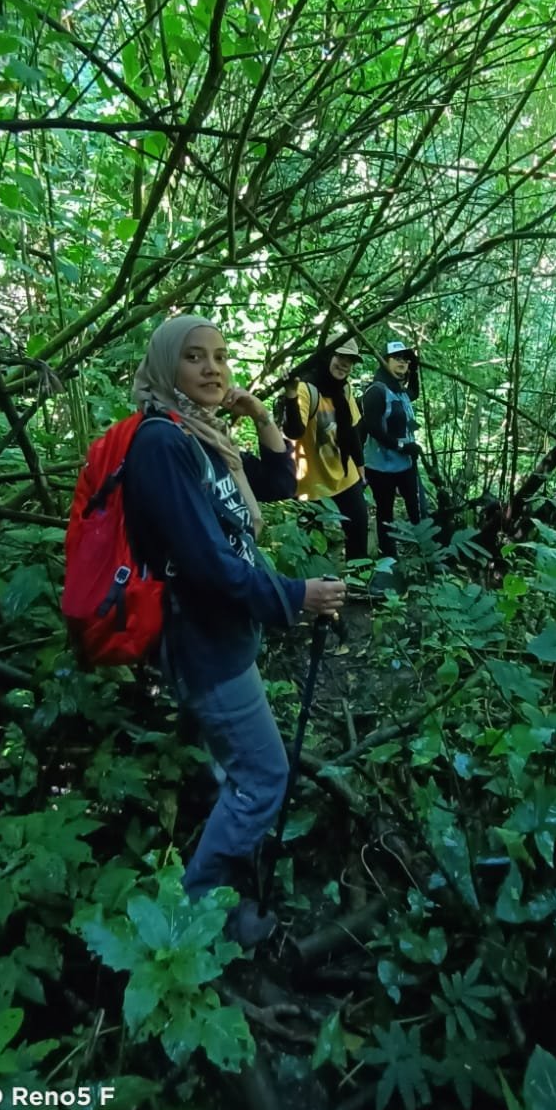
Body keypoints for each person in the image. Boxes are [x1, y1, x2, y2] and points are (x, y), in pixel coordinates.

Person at [122, 314, 345, 947]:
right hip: (204, 641)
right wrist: (296, 596)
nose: (214, 368)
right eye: (195, 358)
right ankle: (190, 921)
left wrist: (261, 417)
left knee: (236, 769)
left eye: (221, 356)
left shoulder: (202, 436)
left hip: (222, 635)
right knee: (267, 777)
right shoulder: (162, 444)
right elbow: (206, 563)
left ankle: (217, 863)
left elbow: (278, 481)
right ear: (168, 367)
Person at [282, 338, 368, 563]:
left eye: (350, 361)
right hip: (311, 479)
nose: (345, 365)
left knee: (358, 525)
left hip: (344, 471)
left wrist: (360, 466)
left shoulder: (344, 388)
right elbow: (293, 431)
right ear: (328, 356)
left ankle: (359, 582)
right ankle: (314, 590)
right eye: (340, 357)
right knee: (310, 540)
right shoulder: (306, 389)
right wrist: (290, 396)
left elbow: (353, 429)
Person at [362, 339, 422, 559]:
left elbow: (414, 392)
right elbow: (373, 428)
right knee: (385, 512)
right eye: (397, 358)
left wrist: (415, 370)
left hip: (405, 463)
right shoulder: (376, 391)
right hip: (381, 466)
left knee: (414, 505)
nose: (402, 362)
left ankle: (425, 550)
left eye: (406, 359)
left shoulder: (400, 391)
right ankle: (388, 556)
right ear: (384, 360)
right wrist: (400, 446)